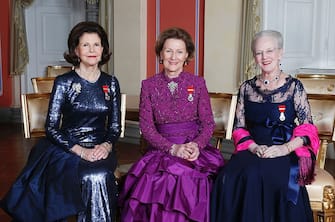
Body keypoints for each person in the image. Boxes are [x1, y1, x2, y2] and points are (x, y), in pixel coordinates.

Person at [0, 21, 121, 221]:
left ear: (103, 49)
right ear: (76, 50)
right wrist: (80, 150)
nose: (92, 50)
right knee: (90, 177)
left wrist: (106, 146)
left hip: (100, 146)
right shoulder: (64, 82)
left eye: (97, 44)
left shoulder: (110, 82)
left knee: (98, 175)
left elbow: (115, 126)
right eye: (85, 45)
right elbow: (52, 128)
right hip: (66, 148)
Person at [210, 30, 320, 222]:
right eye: (259, 52)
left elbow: (307, 129)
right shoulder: (246, 88)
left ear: (280, 52)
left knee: (275, 177)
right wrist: (253, 147)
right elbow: (239, 128)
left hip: (284, 149)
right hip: (253, 148)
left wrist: (283, 149)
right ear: (254, 57)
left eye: (269, 51)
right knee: (231, 176)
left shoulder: (295, 87)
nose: (264, 57)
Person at [118, 27, 224, 221]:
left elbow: (208, 123)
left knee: (194, 179)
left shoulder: (198, 83)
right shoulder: (148, 85)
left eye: (179, 51)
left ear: (187, 56)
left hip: (194, 148)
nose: (173, 57)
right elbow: (147, 127)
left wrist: (196, 146)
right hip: (162, 149)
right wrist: (173, 149)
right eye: (168, 51)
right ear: (160, 53)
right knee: (161, 179)